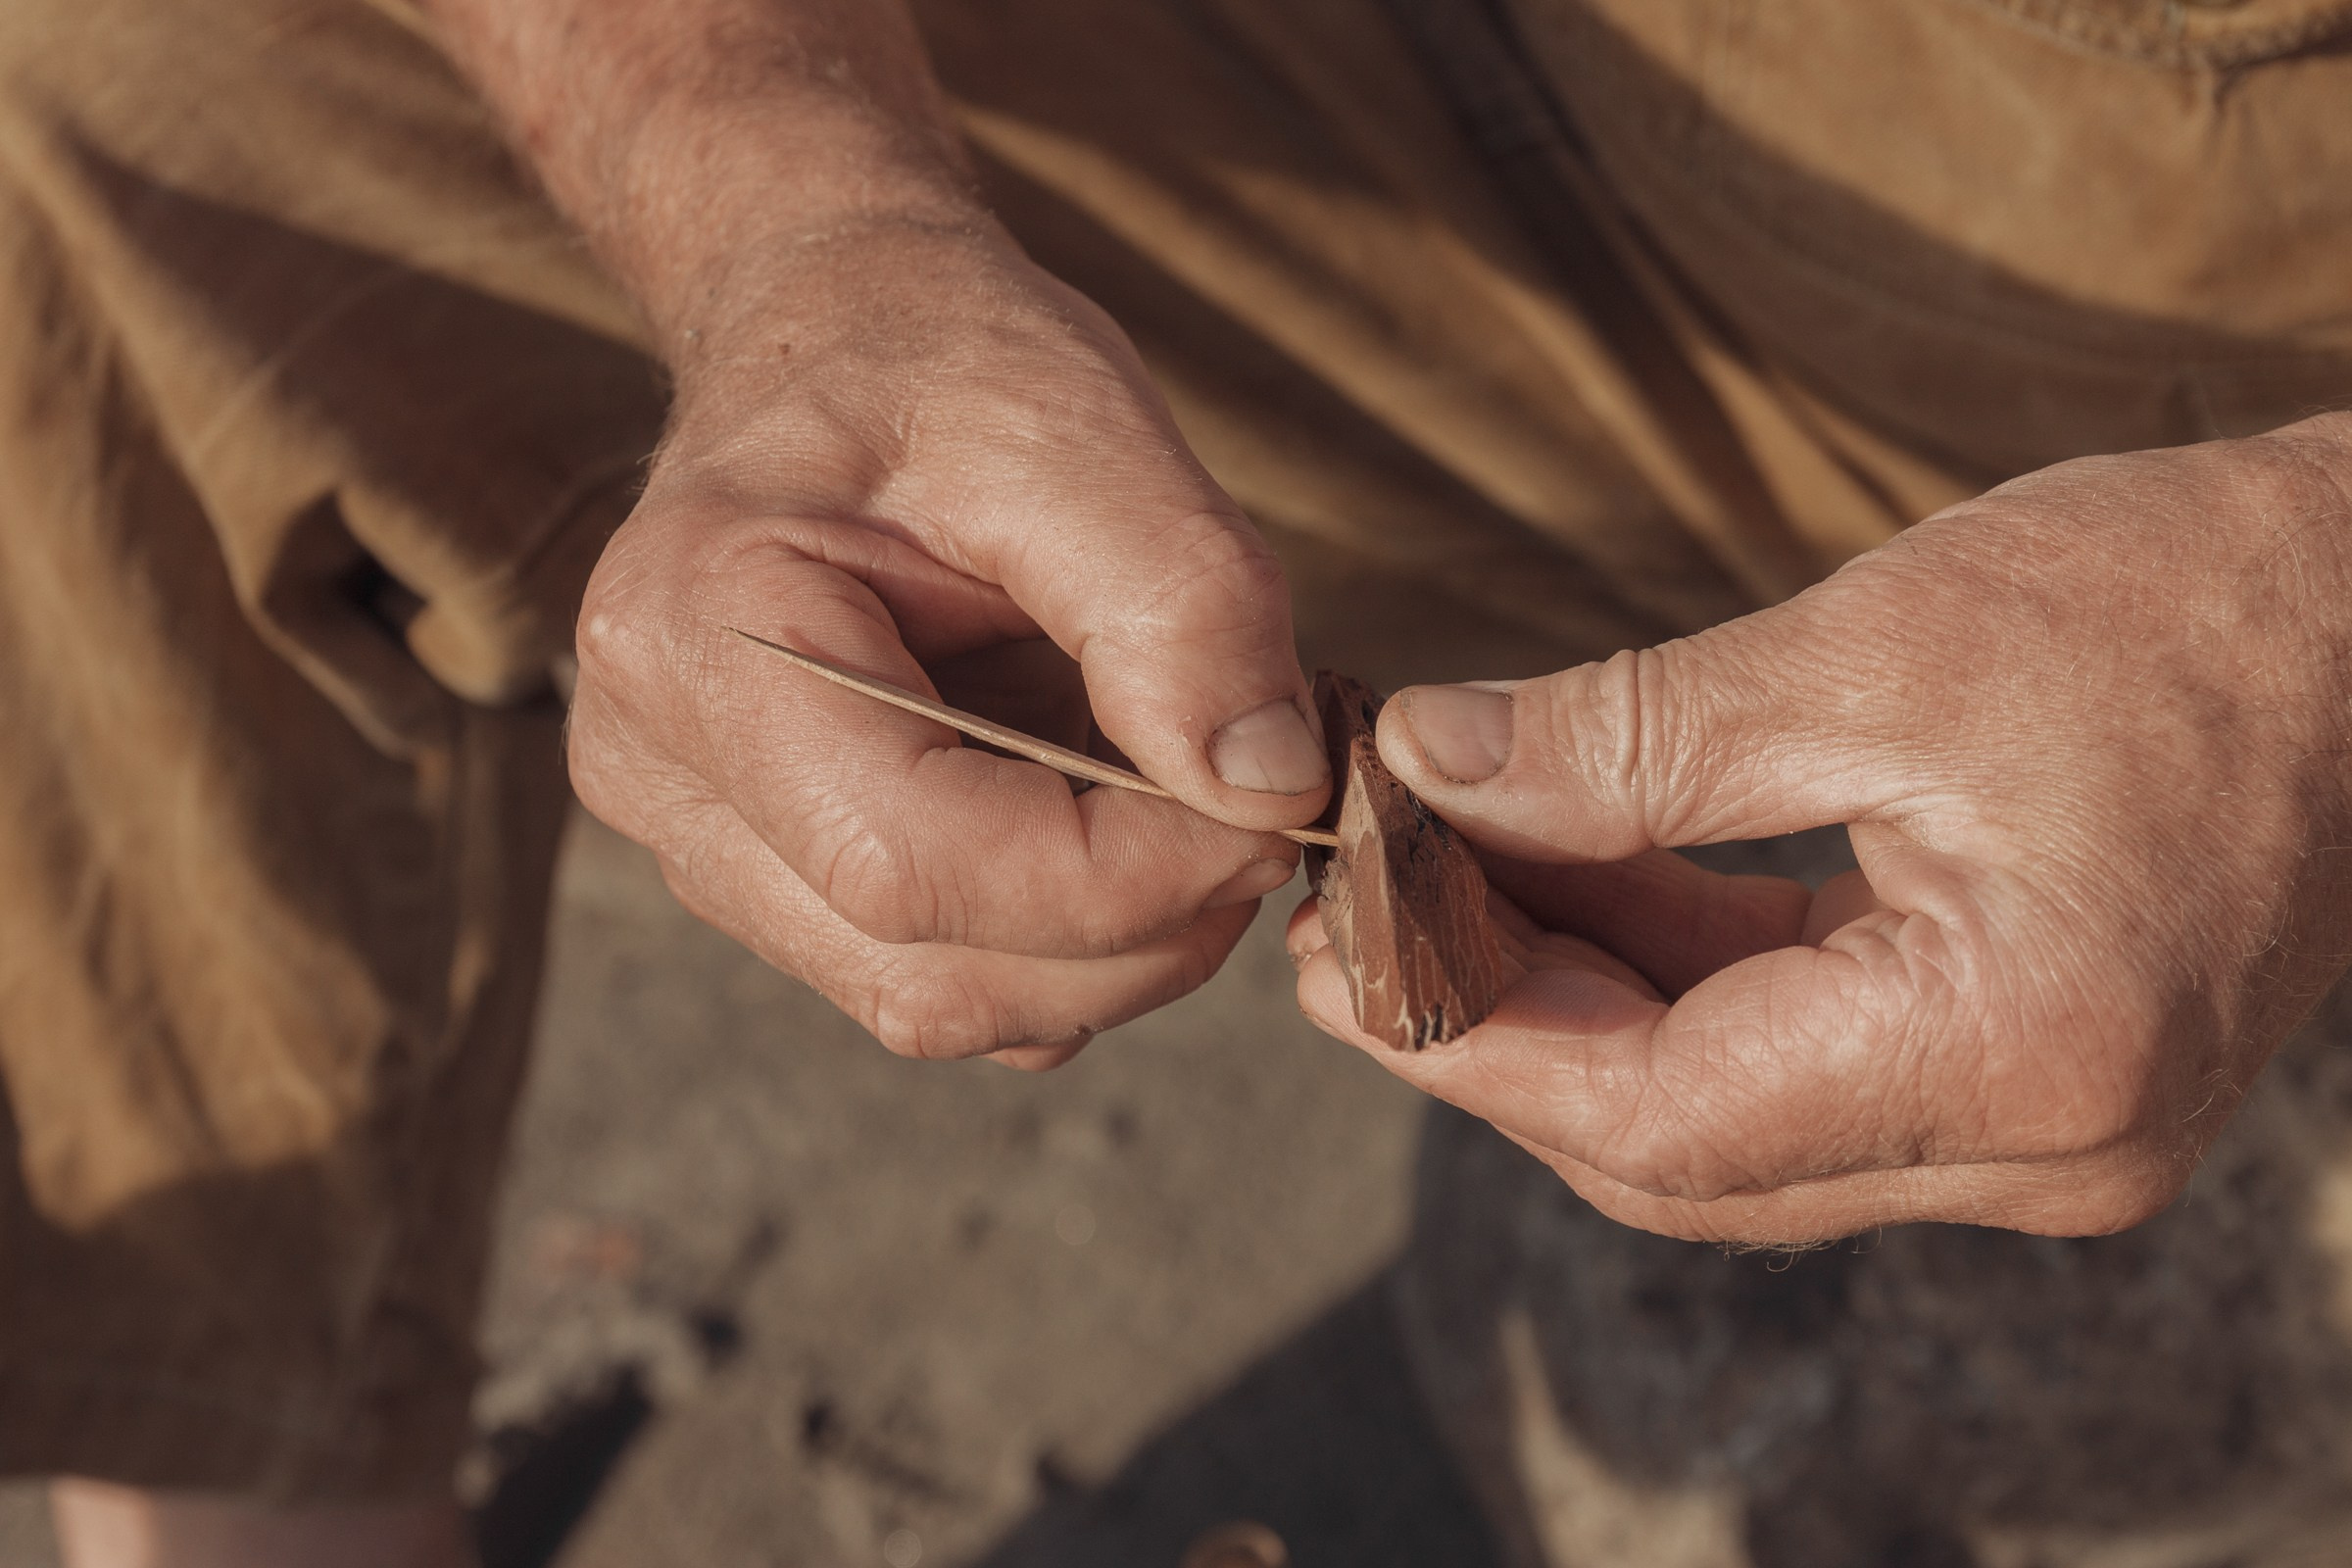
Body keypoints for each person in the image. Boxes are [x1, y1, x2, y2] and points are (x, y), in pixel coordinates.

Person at [2, 0, 2347, 1562]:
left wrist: (2308, 608)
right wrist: (787, 200)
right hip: (1513, 99)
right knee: (129, 77)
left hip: (2206, 292)